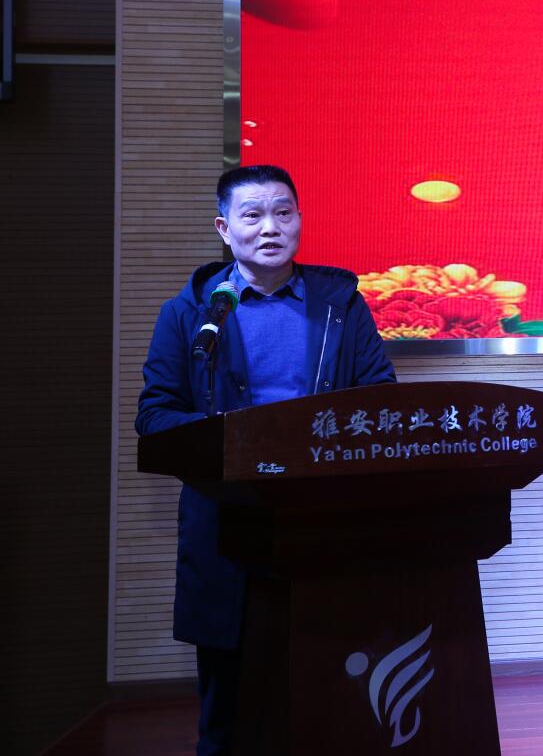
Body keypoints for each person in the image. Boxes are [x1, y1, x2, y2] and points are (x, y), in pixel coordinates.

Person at [136, 164, 395, 756]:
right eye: (252, 215)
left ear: (300, 220)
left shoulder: (340, 306)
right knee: (228, 713)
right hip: (226, 524)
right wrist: (242, 438)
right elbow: (154, 416)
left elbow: (380, 398)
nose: (270, 227)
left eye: (283, 212)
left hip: (322, 520)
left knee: (333, 693)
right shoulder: (191, 313)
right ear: (224, 229)